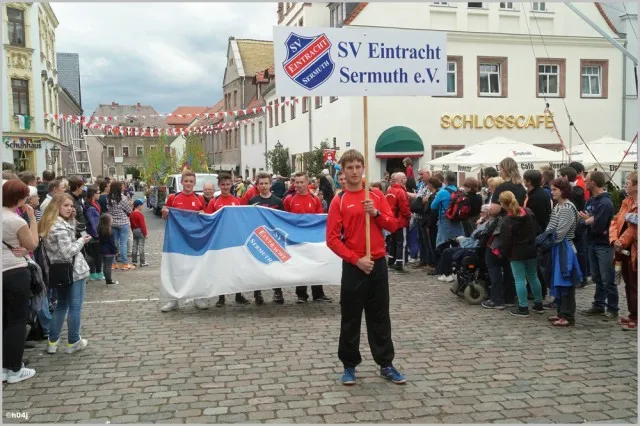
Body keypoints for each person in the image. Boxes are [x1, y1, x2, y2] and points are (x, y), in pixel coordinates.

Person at [326, 149, 406, 386]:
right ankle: (349, 365)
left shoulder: (376, 195)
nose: (354, 171)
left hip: (378, 263)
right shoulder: (339, 200)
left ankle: (386, 363)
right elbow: (332, 239)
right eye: (349, 167)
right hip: (355, 266)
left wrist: (376, 213)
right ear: (343, 171)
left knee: (380, 316)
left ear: (363, 168)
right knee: (350, 317)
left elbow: (393, 225)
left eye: (358, 167)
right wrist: (355, 260)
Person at [39, 193, 92, 354]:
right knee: (75, 306)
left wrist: (72, 220)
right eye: (66, 205)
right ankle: (74, 341)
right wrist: (82, 240)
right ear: (56, 206)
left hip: (59, 270)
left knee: (62, 305)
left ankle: (52, 342)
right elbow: (67, 251)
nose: (70, 208)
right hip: (73, 270)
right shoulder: (59, 227)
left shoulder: (51, 223)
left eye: (71, 205)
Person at [2, 179, 39, 383]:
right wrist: (32, 218)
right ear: (19, 198)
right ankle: (14, 369)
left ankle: (3, 366)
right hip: (14, 270)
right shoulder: (16, 220)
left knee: (4, 321)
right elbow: (32, 243)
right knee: (16, 321)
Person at [161, 170, 208, 312]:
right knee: (175, 268)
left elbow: (206, 219)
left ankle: (198, 298)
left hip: (195, 240)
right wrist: (165, 213)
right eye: (186, 181)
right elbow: (165, 217)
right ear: (181, 182)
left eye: (191, 181)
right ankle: (173, 300)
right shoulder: (173, 198)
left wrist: (203, 214)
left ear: (195, 183)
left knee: (196, 268)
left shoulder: (200, 199)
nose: (188, 183)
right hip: (177, 240)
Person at [203, 174, 250, 307]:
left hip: (235, 240)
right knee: (221, 268)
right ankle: (221, 297)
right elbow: (209, 220)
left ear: (231, 185)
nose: (225, 187)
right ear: (219, 185)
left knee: (237, 268)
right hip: (220, 240)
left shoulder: (237, 201)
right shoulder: (214, 202)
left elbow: (242, 219)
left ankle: (238, 295)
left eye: (227, 184)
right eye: (223, 185)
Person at [284, 172, 332, 303]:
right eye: (297, 182)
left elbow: (319, 219)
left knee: (316, 265)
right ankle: (301, 295)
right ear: (293, 183)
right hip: (297, 239)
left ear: (307, 183)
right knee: (300, 266)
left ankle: (318, 294)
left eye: (302, 182)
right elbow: (285, 218)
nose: (299, 185)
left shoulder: (315, 199)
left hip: (313, 239)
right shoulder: (289, 199)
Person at [498, 191, 544, 317]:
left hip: (516, 252)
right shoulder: (528, 212)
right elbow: (537, 229)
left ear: (503, 204)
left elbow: (505, 242)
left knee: (519, 279)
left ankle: (523, 307)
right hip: (531, 249)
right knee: (533, 276)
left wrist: (506, 254)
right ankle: (538, 303)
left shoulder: (507, 221)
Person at [580, 171, 617, 319]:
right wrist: (589, 220)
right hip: (591, 242)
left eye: (587, 181)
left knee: (607, 278)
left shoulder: (605, 203)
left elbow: (599, 226)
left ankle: (613, 308)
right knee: (596, 276)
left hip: (603, 244)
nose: (585, 183)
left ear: (593, 183)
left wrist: (590, 221)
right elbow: (583, 221)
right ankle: (598, 304)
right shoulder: (591, 200)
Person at [545, 178, 581, 327]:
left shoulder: (567, 207)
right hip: (558, 247)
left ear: (563, 190)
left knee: (566, 282)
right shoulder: (558, 206)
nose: (552, 192)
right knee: (558, 281)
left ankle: (567, 315)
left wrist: (547, 239)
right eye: (551, 189)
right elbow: (550, 228)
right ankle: (560, 312)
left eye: (555, 189)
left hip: (565, 248)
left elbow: (560, 233)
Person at [249, 172, 285, 304]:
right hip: (258, 238)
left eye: (266, 183)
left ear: (270, 184)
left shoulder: (278, 201)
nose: (264, 186)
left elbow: (282, 220)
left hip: (273, 239)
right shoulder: (252, 201)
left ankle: (278, 291)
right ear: (257, 185)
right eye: (261, 184)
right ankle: (257, 292)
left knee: (276, 265)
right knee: (257, 266)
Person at [609, 172, 637, 331]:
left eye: (628, 182)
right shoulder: (627, 201)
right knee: (628, 283)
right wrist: (614, 240)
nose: (625, 185)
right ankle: (633, 313)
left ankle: (636, 316)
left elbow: (634, 229)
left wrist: (622, 241)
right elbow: (615, 221)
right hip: (623, 249)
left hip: (634, 249)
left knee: (635, 284)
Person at [431, 171, 464, 253]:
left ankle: (445, 259)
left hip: (444, 218)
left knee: (443, 243)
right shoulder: (459, 191)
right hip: (457, 218)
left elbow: (433, 206)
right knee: (456, 242)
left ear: (445, 180)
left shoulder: (442, 192)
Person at [386, 172, 412, 273]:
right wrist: (409, 216)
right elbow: (404, 207)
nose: (406, 179)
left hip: (392, 220)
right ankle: (400, 263)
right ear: (401, 180)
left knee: (393, 241)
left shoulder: (390, 190)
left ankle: (391, 260)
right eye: (405, 178)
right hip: (401, 221)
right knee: (401, 243)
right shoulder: (401, 191)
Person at [106, 181, 134, 271]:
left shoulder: (108, 198)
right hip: (123, 223)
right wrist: (131, 205)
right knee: (123, 243)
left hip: (113, 223)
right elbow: (129, 211)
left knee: (114, 243)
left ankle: (113, 264)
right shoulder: (122, 198)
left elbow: (108, 210)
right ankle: (124, 263)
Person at [84, 185, 104, 281]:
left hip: (96, 232)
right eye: (98, 192)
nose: (99, 194)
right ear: (93, 194)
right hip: (93, 234)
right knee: (95, 254)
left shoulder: (95, 204)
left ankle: (97, 272)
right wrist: (96, 235)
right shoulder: (90, 207)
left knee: (97, 254)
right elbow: (92, 223)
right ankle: (94, 273)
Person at [98, 214, 119, 285]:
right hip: (109, 251)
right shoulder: (110, 231)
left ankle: (107, 279)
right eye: (111, 219)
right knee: (108, 266)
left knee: (105, 265)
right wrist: (115, 250)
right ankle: (109, 280)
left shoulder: (99, 229)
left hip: (102, 250)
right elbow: (112, 243)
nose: (112, 220)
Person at [130, 199, 149, 267]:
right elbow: (142, 225)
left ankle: (134, 261)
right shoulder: (139, 214)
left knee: (134, 245)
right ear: (138, 206)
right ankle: (142, 261)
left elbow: (131, 224)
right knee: (141, 246)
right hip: (140, 230)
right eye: (141, 206)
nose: (142, 207)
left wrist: (133, 230)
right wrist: (145, 233)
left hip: (134, 230)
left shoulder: (132, 214)